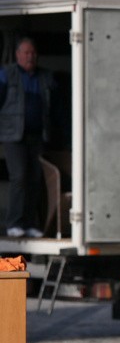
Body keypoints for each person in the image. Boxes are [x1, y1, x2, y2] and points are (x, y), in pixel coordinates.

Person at [0, 37, 59, 238]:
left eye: (33, 53)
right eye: (26, 53)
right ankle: (14, 223)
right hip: (14, 136)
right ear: (17, 55)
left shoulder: (45, 77)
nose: (30, 56)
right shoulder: (7, 74)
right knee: (19, 176)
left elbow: (54, 107)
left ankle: (30, 223)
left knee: (35, 178)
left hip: (37, 135)